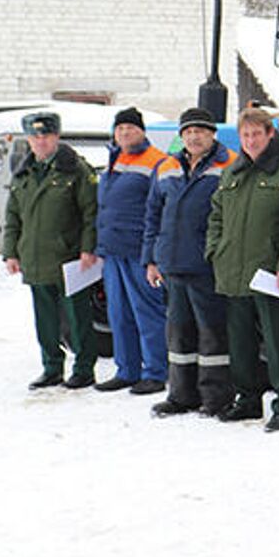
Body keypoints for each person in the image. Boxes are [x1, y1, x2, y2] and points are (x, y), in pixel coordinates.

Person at [207, 106, 279, 431]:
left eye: (257, 134)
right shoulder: (233, 173)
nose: (251, 140)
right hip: (233, 271)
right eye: (246, 135)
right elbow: (216, 216)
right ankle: (247, 400)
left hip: (271, 274)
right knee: (240, 340)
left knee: (276, 338)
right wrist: (215, 251)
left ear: (271, 134)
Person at [142, 108, 237, 417]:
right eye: (188, 131)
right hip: (171, 264)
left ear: (213, 134)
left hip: (207, 265)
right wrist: (151, 260)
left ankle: (215, 398)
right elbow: (153, 215)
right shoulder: (166, 166)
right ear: (181, 136)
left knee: (212, 334)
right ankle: (182, 395)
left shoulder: (231, 165)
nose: (194, 136)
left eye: (201, 130)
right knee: (179, 334)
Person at [4, 111, 101, 389]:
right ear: (29, 140)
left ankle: (84, 369)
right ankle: (51, 368)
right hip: (35, 257)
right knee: (45, 320)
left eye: (46, 135)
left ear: (56, 137)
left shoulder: (75, 170)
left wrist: (87, 248)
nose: (41, 141)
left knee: (77, 317)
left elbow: (90, 212)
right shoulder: (23, 173)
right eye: (35, 136)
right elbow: (13, 216)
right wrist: (11, 252)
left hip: (69, 258)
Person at [93, 107, 170, 395]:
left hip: (140, 251)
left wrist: (154, 255)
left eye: (131, 128)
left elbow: (160, 210)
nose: (125, 132)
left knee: (147, 312)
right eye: (120, 128)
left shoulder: (156, 161)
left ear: (142, 131)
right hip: (113, 252)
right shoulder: (114, 160)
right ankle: (127, 370)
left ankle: (155, 371)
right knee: (119, 313)